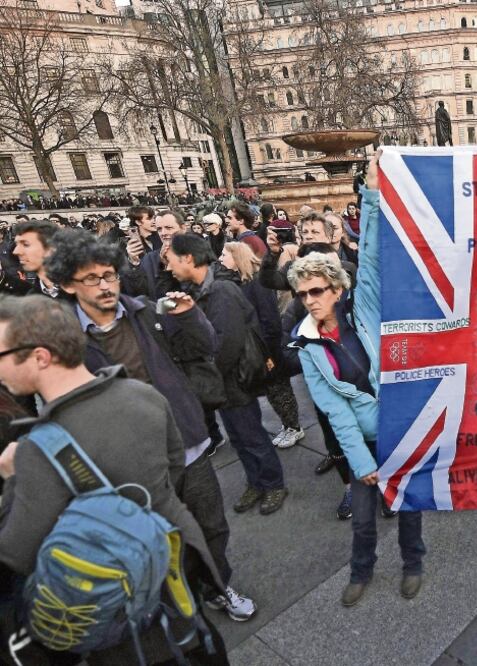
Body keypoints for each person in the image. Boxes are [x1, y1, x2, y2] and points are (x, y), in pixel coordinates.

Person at [0, 295, 228, 664]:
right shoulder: (144, 395)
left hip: (120, 620)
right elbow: (172, 469)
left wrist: (12, 480)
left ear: (41, 357)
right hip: (178, 576)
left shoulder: (36, 451)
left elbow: (15, 553)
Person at [46, 229, 257, 623]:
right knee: (156, 535)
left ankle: (217, 584)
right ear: (68, 284)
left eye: (109, 275)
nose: (106, 285)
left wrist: (189, 315)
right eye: (92, 278)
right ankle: (177, 596)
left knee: (210, 523)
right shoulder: (63, 339)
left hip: (185, 442)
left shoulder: (146, 310)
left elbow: (204, 347)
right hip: (127, 461)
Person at [289, 153, 425, 607]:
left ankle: (413, 564)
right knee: (364, 518)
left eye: (317, 291)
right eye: (302, 293)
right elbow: (333, 410)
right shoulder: (306, 344)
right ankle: (361, 571)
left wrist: (371, 190)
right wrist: (360, 462)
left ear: (337, 289)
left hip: (400, 426)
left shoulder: (362, 308)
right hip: (362, 442)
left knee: (408, 506)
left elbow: (369, 252)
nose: (309, 300)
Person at [165, 233, 288, 515]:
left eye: (170, 261)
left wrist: (207, 376)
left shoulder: (220, 290)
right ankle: (256, 483)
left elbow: (226, 346)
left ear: (188, 259)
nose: (168, 268)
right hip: (222, 383)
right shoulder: (196, 290)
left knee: (252, 436)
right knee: (240, 439)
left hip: (235, 380)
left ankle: (274, 484)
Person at [219, 241, 304, 449]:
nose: (220, 258)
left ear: (237, 257)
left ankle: (294, 427)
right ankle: (288, 425)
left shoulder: (256, 282)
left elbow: (269, 318)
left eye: (224, 255)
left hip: (269, 347)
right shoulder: (241, 281)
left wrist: (269, 353)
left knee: (279, 388)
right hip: (260, 347)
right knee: (273, 389)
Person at [12, 219, 60, 297]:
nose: (16, 251)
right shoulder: (30, 298)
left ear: (51, 248)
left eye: (26, 244)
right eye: (16, 245)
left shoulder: (80, 289)